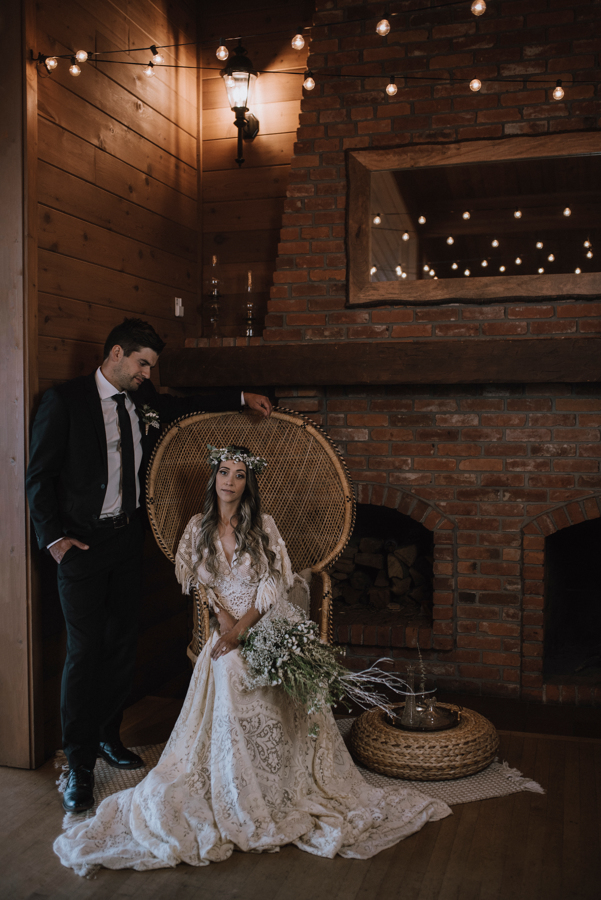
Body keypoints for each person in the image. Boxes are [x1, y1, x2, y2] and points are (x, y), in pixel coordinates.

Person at [53, 445, 450, 875]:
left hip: (264, 621)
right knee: (226, 666)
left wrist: (243, 630)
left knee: (258, 667)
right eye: (224, 472)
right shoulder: (196, 529)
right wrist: (224, 627)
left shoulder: (263, 526)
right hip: (224, 627)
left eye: (240, 475)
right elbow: (203, 589)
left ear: (248, 483)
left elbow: (271, 587)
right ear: (214, 478)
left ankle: (274, 781)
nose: (230, 481)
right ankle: (234, 782)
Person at [26, 318, 273, 814]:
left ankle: (107, 735)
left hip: (126, 542)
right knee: (83, 651)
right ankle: (78, 763)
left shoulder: (141, 399)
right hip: (81, 548)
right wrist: (54, 541)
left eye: (151, 367)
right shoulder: (65, 401)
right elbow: (39, 476)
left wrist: (242, 395)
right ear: (116, 353)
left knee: (121, 644)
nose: (146, 374)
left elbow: (186, 408)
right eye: (142, 363)